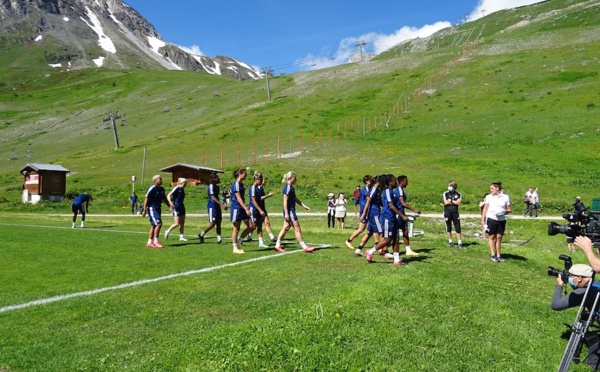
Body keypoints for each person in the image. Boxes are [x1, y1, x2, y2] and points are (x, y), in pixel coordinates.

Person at [365, 174, 406, 266]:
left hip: (393, 217)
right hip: (387, 218)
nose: (396, 182)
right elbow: (391, 206)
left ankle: (396, 260)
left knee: (396, 238)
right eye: (395, 181)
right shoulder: (387, 191)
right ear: (390, 182)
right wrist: (402, 215)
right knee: (387, 239)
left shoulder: (392, 191)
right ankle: (370, 252)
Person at [274, 171, 315, 253]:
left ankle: (277, 246)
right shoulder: (288, 188)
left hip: (290, 211)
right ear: (290, 178)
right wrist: (286, 213)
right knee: (297, 228)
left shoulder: (291, 187)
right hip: (289, 211)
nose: (296, 180)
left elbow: (295, 199)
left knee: (286, 228)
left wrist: (303, 205)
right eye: (294, 178)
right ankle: (304, 247)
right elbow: (285, 201)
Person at [481, 182, 511, 262]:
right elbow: (485, 208)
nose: (491, 190)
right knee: (492, 237)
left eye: (492, 188)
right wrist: (482, 219)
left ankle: (498, 255)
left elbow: (509, 209)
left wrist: (504, 212)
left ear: (497, 188)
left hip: (501, 219)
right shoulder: (489, 197)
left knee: (499, 237)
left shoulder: (505, 197)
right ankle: (493, 255)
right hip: (491, 219)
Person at [354, 175, 383, 257]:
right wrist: (363, 214)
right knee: (380, 231)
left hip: (371, 213)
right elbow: (366, 202)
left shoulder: (375, 190)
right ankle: (383, 250)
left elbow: (378, 202)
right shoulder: (371, 190)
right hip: (373, 213)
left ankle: (359, 249)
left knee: (369, 232)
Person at [230, 168, 255, 254]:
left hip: (242, 208)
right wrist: (246, 208)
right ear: (240, 174)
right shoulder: (236, 184)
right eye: (245, 174)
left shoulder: (241, 184)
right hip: (237, 208)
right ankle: (235, 247)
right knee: (236, 228)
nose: (246, 175)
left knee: (251, 226)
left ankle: (239, 240)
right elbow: (239, 198)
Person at [199, 172, 227, 245]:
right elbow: (212, 197)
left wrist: (224, 194)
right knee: (212, 223)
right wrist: (221, 204)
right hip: (212, 206)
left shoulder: (216, 186)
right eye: (216, 177)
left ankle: (219, 239)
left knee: (219, 222)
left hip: (217, 206)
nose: (218, 179)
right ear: (212, 179)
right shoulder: (211, 186)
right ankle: (201, 234)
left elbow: (218, 195)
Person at [141, 175, 169, 248]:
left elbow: (164, 199)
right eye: (160, 179)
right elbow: (146, 198)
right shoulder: (152, 188)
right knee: (159, 224)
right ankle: (156, 241)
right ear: (155, 180)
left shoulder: (162, 189)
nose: (161, 180)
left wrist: (170, 206)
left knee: (154, 225)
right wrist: (144, 210)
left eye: (161, 179)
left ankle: (149, 242)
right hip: (152, 208)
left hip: (158, 208)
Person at [345, 175, 372, 250]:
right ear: (366, 181)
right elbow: (364, 202)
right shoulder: (364, 190)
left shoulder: (369, 189)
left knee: (373, 229)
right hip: (364, 211)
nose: (372, 181)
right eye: (370, 180)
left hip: (368, 211)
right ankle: (349, 240)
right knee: (361, 229)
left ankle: (378, 245)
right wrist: (363, 213)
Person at [396, 175, 421, 256]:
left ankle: (408, 250)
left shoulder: (401, 190)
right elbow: (403, 203)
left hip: (401, 213)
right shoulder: (399, 190)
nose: (407, 183)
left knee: (405, 230)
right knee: (394, 233)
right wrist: (414, 210)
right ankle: (381, 249)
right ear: (401, 181)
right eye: (406, 181)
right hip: (398, 214)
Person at [249, 171, 270, 249]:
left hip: (258, 209)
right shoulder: (253, 188)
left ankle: (261, 242)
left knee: (260, 225)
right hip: (254, 209)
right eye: (260, 179)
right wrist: (260, 210)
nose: (261, 181)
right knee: (253, 226)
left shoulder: (258, 187)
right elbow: (254, 201)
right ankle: (240, 238)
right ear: (256, 179)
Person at [443, 181, 463, 248]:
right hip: (447, 212)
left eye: (450, 186)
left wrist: (451, 201)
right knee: (448, 227)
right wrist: (454, 201)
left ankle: (459, 242)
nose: (448, 187)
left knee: (458, 227)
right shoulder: (445, 193)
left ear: (453, 187)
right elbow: (446, 202)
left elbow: (458, 202)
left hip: (455, 212)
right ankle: (450, 241)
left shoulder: (459, 194)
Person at [258, 175, 277, 242]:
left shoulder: (262, 188)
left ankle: (272, 237)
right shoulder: (257, 188)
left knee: (267, 222)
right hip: (258, 209)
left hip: (263, 208)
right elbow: (260, 198)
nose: (265, 181)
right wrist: (268, 195)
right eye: (264, 180)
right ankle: (242, 238)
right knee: (254, 226)